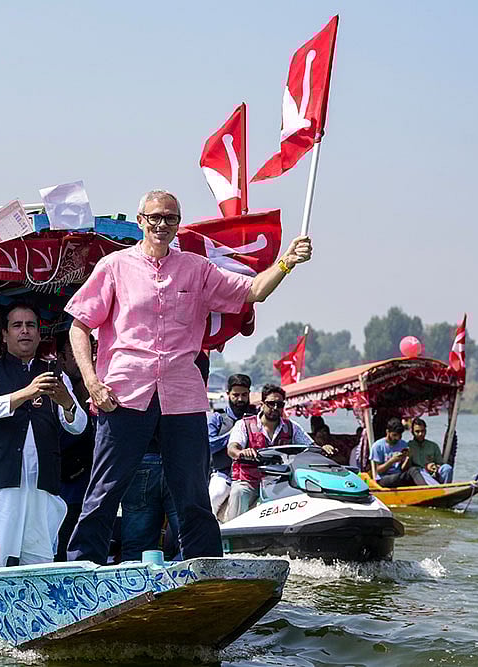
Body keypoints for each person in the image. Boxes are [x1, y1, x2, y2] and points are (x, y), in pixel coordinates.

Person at [64, 189, 313, 564]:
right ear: (140, 221)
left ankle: (207, 569)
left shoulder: (196, 269)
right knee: (106, 489)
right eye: (154, 218)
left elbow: (253, 292)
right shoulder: (115, 266)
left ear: (178, 224)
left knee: (193, 492)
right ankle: (81, 566)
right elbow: (79, 325)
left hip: (183, 396)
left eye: (170, 218)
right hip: (123, 392)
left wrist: (287, 262)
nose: (161, 225)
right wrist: (92, 383)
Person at [0, 301, 88, 568]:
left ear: (39, 335)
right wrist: (25, 393)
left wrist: (67, 402)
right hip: (1, 482)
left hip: (42, 485)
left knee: (38, 560)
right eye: (17, 326)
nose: (24, 331)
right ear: (5, 335)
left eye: (30, 326)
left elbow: (79, 425)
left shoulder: (54, 373)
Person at [225, 384, 328, 520]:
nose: (275, 408)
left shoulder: (292, 427)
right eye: (271, 403)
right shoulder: (244, 424)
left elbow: (311, 447)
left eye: (279, 404)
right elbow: (232, 448)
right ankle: (231, 532)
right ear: (262, 404)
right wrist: (241, 452)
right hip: (248, 481)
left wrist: (323, 449)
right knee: (239, 492)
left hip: (280, 483)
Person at [54, 329, 96, 561]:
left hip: (86, 487)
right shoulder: (56, 386)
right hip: (64, 487)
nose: (86, 357)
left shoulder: (92, 385)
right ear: (61, 357)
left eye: (91, 350)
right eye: (78, 352)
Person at [208, 374, 256, 522]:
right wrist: (235, 433)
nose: (240, 399)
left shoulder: (257, 418)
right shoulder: (217, 418)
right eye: (236, 395)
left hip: (253, 475)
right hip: (224, 475)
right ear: (228, 394)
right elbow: (209, 445)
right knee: (214, 497)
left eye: (244, 395)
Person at [370, 417, 430, 488]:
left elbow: (403, 468)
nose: (397, 438)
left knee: (414, 470)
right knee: (398, 478)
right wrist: (392, 461)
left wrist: (408, 458)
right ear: (387, 432)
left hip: (399, 475)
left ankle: (425, 488)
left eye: (400, 435)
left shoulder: (403, 444)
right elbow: (378, 471)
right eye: (394, 435)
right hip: (384, 479)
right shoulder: (378, 446)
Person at [407, 417, 453, 483]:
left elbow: (440, 463)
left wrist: (434, 467)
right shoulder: (408, 446)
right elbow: (408, 468)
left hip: (433, 473)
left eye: (422, 431)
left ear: (425, 431)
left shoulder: (433, 446)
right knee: (420, 471)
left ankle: (446, 489)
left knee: (447, 468)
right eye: (417, 431)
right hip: (418, 475)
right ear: (412, 432)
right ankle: (438, 489)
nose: (420, 434)